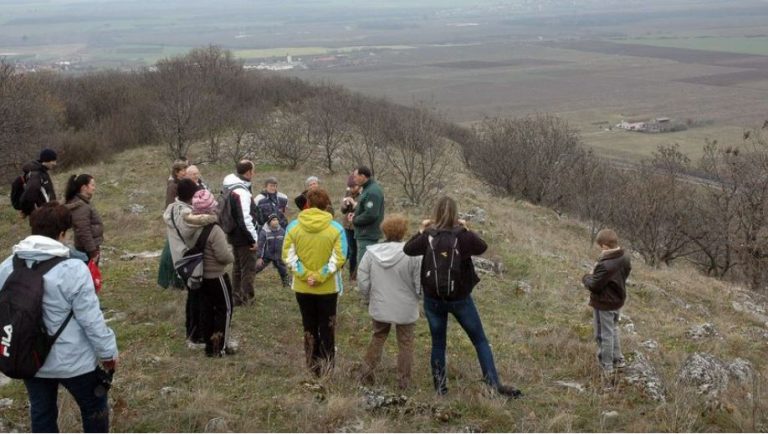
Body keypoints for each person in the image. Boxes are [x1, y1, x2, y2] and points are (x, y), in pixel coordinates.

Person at [0, 203, 118, 433]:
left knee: (41, 413)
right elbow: (91, 320)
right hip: (74, 362)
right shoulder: (73, 269)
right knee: (94, 408)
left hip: (30, 358)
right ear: (63, 233)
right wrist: (108, 353)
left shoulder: (7, 266)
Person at [403, 196, 522, 398]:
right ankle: (493, 384)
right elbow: (482, 247)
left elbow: (408, 249)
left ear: (436, 214)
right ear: (456, 215)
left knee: (438, 344)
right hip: (460, 299)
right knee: (479, 341)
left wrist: (421, 230)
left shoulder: (428, 236)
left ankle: (440, 390)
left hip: (434, 299)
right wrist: (466, 229)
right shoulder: (463, 237)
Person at [283, 188, 347, 376]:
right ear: (327, 205)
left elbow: (288, 255)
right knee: (327, 328)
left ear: (308, 204)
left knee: (308, 325)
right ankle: (328, 369)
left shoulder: (293, 227)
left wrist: (305, 274)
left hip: (303, 287)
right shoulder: (336, 228)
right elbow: (339, 257)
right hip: (327, 288)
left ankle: (312, 367)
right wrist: (319, 275)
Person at [357, 214, 421, 390]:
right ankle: (403, 382)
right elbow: (419, 282)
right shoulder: (413, 254)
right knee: (406, 342)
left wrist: (368, 297)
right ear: (404, 231)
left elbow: (362, 280)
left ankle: (366, 375)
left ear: (383, 230)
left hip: (380, 303)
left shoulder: (371, 253)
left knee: (378, 336)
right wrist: (418, 296)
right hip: (406, 307)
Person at [186, 189, 236, 357]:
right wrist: (232, 256)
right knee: (225, 310)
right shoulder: (215, 230)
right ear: (210, 209)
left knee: (206, 311)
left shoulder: (190, 226)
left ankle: (209, 345)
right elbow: (223, 256)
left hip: (199, 276)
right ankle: (220, 347)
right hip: (216, 275)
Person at [581, 228, 632, 390]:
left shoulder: (606, 264)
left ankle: (607, 367)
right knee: (614, 329)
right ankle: (618, 360)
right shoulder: (624, 257)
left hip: (604, 303)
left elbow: (595, 286)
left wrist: (586, 277)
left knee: (604, 334)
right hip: (617, 301)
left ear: (604, 246)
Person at [163, 178, 205, 346]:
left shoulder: (172, 208)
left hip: (181, 259)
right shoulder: (184, 213)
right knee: (198, 299)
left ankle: (191, 332)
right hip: (190, 261)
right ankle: (196, 336)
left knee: (193, 297)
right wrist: (206, 218)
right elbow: (188, 231)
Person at [221, 160, 260, 306]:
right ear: (248, 172)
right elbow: (245, 218)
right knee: (248, 268)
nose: (254, 174)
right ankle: (247, 299)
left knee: (237, 267)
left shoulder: (229, 185)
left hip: (232, 233)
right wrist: (253, 239)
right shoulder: (241, 191)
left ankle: (236, 297)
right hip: (243, 236)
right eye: (253, 170)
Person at [157, 161, 188, 289]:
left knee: (173, 250)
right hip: (174, 221)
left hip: (176, 220)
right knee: (170, 252)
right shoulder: (173, 186)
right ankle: (167, 280)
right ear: (176, 172)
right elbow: (170, 206)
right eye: (182, 170)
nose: (185, 172)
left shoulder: (178, 183)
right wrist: (174, 221)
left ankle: (172, 280)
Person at [64, 174, 103, 263]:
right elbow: (83, 230)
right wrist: (92, 252)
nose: (94, 188)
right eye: (92, 185)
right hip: (87, 249)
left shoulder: (83, 203)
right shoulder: (80, 206)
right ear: (84, 187)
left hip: (89, 247)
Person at [351, 166, 384, 267]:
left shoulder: (372, 191)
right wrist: (355, 214)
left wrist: (355, 220)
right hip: (364, 233)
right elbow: (365, 209)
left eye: (356, 176)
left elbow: (371, 214)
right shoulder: (367, 189)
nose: (354, 179)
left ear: (363, 176)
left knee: (364, 266)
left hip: (368, 234)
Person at [19, 148, 58, 217]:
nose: (55, 163)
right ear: (47, 160)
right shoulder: (36, 175)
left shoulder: (43, 172)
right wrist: (27, 211)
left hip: (49, 212)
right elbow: (29, 196)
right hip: (44, 215)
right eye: (53, 160)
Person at [255, 214, 290, 288]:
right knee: (257, 267)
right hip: (267, 255)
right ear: (269, 222)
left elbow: (286, 243)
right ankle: (249, 278)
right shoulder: (264, 232)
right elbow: (260, 245)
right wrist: (259, 257)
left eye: (277, 220)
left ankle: (286, 282)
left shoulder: (282, 231)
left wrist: (287, 253)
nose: (276, 221)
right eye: (273, 220)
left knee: (282, 269)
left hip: (278, 255)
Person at [340, 173, 361, 280]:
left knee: (358, 250)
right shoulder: (348, 192)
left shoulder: (363, 194)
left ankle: (357, 274)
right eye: (350, 187)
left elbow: (363, 210)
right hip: (348, 226)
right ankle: (352, 276)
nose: (352, 189)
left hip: (358, 226)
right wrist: (346, 204)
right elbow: (343, 210)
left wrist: (353, 203)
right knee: (350, 250)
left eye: (354, 187)